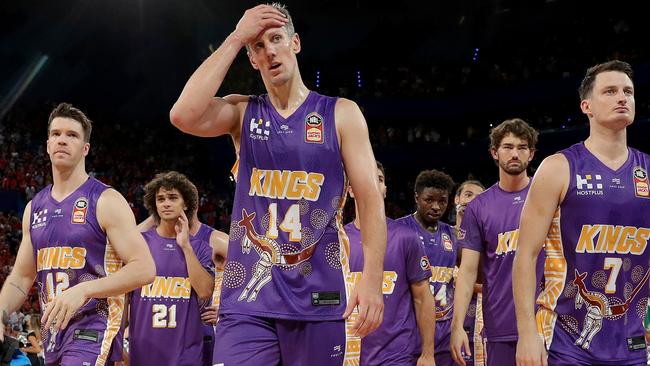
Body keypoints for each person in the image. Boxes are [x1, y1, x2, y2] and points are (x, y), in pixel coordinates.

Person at [169, 3, 386, 364]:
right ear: (252, 59)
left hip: (318, 295)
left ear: (295, 43)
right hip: (247, 301)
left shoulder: (341, 113)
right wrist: (237, 37)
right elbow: (182, 114)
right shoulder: (243, 113)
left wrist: (372, 280)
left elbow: (369, 199)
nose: (269, 50)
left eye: (276, 39)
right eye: (258, 46)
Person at [513, 60, 650, 365]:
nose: (622, 98)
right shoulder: (558, 167)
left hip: (635, 340)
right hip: (568, 341)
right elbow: (525, 254)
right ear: (586, 106)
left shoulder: (648, 170)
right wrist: (527, 333)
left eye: (628, 91)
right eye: (610, 91)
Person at [0, 102, 156, 365]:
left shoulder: (106, 200)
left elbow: (144, 268)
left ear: (85, 149)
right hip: (53, 332)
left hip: (94, 325)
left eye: (72, 135)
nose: (62, 140)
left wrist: (83, 290)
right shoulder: (33, 208)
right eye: (56, 134)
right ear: (48, 144)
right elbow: (21, 277)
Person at [450, 119, 542, 366]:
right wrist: (457, 325)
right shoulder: (479, 207)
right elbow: (468, 271)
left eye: (522, 147)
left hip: (547, 322)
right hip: (500, 323)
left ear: (531, 154)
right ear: (494, 152)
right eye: (507, 147)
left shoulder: (547, 195)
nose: (515, 153)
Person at [345, 162, 435, 365]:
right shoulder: (339, 240)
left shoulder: (405, 237)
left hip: (396, 355)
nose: (373, 184)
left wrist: (428, 354)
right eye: (364, 177)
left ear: (385, 190)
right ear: (350, 190)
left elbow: (423, 297)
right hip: (349, 354)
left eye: (379, 179)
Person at [127, 171, 215, 366]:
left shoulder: (199, 247)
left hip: (186, 354)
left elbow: (205, 291)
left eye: (173, 198)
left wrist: (185, 246)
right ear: (154, 205)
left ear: (185, 204)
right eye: (160, 199)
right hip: (144, 350)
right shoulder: (140, 243)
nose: (166, 203)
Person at [397, 169, 456, 366]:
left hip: (446, 330)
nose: (436, 206)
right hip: (410, 327)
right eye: (429, 200)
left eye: (442, 201)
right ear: (416, 197)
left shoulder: (453, 235)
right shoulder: (399, 231)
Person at [452, 180, 486, 366]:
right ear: (456, 199)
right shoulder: (443, 235)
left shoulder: (488, 239)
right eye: (468, 195)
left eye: (478, 197)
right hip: (447, 319)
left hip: (481, 319)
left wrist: (464, 282)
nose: (472, 200)